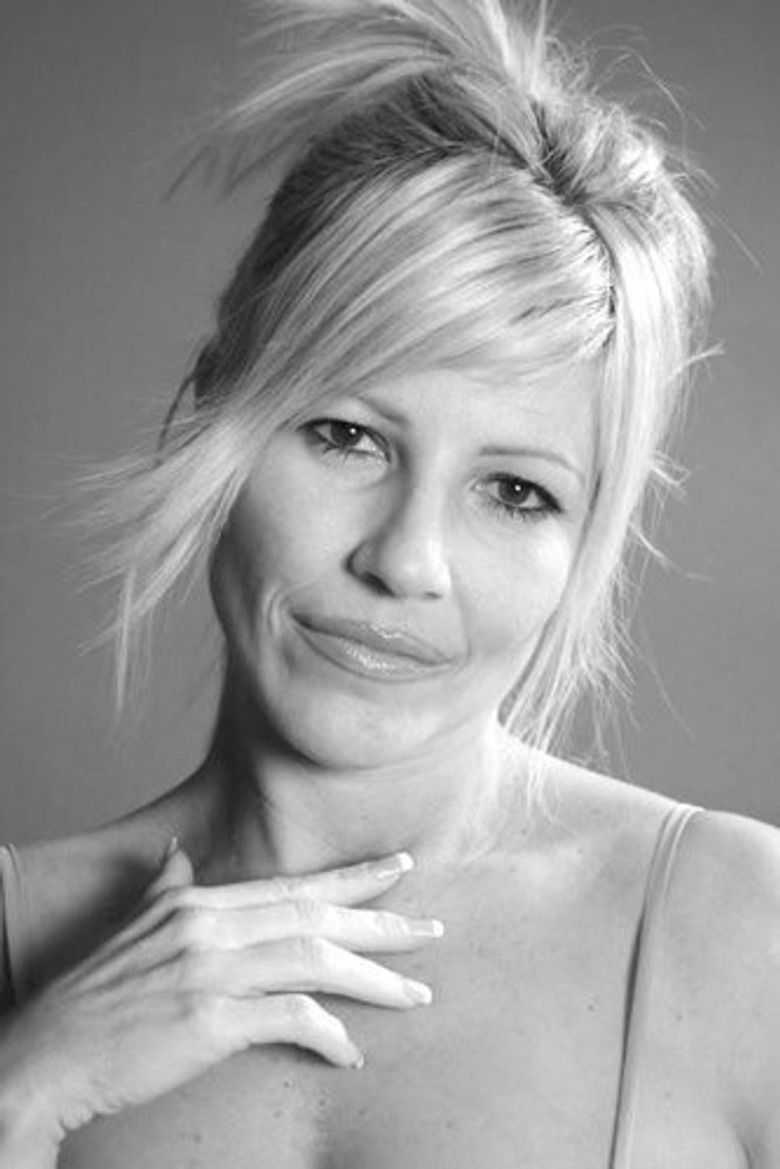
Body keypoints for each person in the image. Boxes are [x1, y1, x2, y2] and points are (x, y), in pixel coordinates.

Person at [1, 0, 778, 1165]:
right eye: (347, 435)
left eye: (516, 491)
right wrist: (26, 1086)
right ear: (215, 412)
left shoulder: (743, 935)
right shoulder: (16, 939)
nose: (407, 559)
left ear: (588, 539)